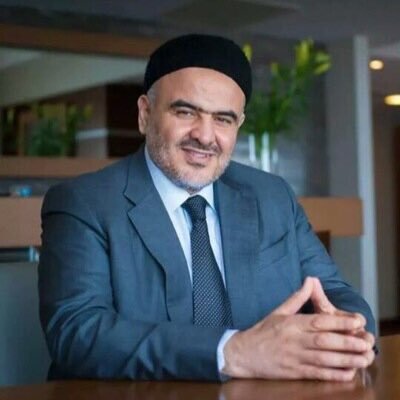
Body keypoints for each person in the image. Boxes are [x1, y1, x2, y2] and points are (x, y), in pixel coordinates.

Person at [38, 34, 376, 382]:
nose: (204, 135)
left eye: (223, 119)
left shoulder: (272, 196)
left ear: (238, 124)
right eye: (186, 112)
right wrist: (231, 352)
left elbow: (334, 292)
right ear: (145, 114)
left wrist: (348, 336)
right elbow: (76, 332)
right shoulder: (84, 203)